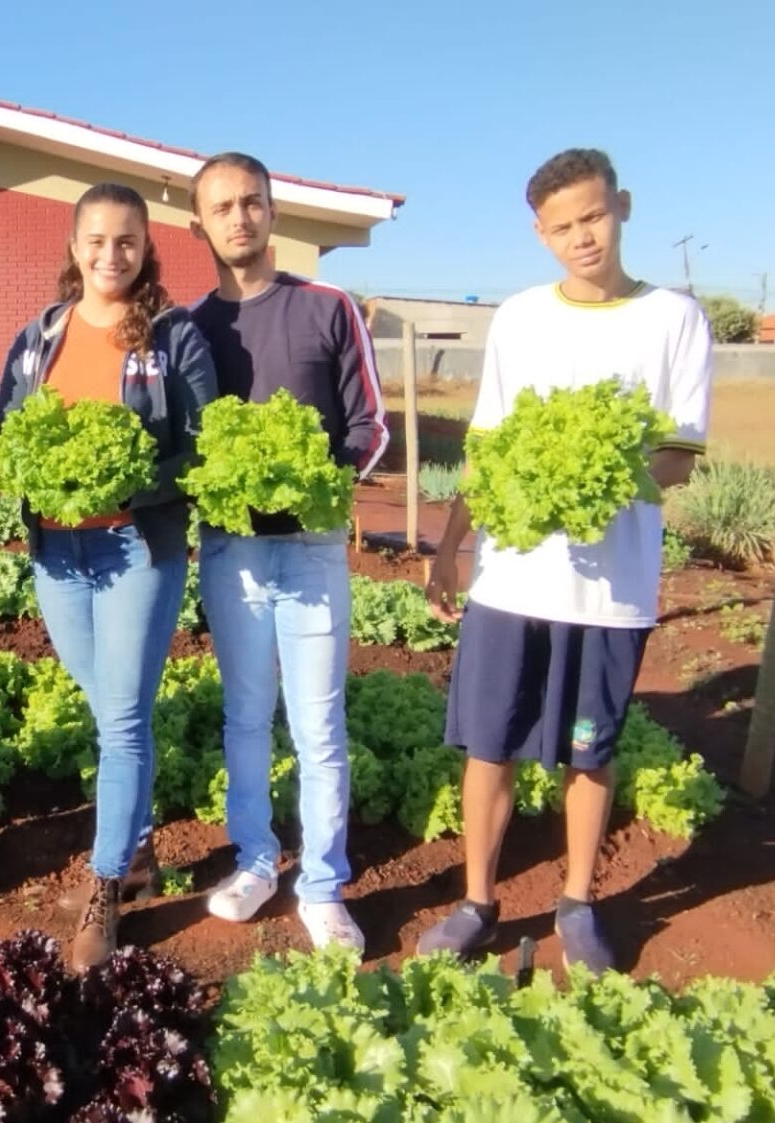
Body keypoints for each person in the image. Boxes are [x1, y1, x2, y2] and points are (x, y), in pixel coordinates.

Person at [417, 148, 710, 972]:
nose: (582, 237)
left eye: (593, 216)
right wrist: (450, 545)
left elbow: (679, 457)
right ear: (541, 235)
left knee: (591, 751)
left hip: (611, 587)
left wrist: (592, 487)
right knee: (489, 745)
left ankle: (578, 903)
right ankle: (477, 900)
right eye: (562, 227)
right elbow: (489, 444)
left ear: (622, 204)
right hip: (513, 579)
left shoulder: (674, 319)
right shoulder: (519, 317)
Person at [0, 183, 216, 972]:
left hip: (136, 550)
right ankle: (141, 846)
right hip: (60, 554)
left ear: (145, 246)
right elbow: (4, 434)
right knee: (108, 710)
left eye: (126, 241)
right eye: (96, 240)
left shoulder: (172, 334)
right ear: (75, 244)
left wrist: (133, 486)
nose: (110, 255)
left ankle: (106, 886)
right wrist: (32, 478)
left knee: (121, 720)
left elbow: (199, 444)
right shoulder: (40, 334)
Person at [187, 152, 389, 946]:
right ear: (200, 221)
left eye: (251, 202)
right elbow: (184, 445)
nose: (239, 217)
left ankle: (324, 882)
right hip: (231, 552)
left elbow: (369, 426)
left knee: (317, 723)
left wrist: (316, 486)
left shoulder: (328, 307)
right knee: (243, 715)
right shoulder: (192, 327)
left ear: (273, 211)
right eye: (222, 206)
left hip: (309, 549)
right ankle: (256, 857)